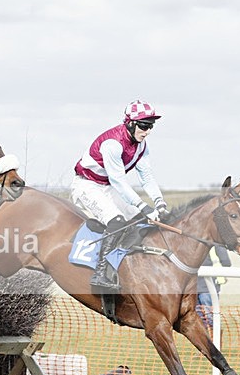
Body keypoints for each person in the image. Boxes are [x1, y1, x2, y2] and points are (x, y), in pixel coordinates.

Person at [70, 100, 171, 292]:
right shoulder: (112, 144)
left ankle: (120, 265)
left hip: (106, 185)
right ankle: (100, 273)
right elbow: (118, 181)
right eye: (144, 125)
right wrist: (143, 205)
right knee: (116, 221)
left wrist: (159, 202)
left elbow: (146, 177)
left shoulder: (142, 145)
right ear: (130, 123)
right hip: (87, 185)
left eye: (151, 126)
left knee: (138, 221)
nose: (147, 130)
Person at [196, 245, 231, 328]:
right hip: (208, 287)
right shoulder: (216, 245)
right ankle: (213, 339)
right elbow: (226, 262)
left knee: (201, 320)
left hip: (195, 287)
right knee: (210, 318)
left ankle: (209, 339)